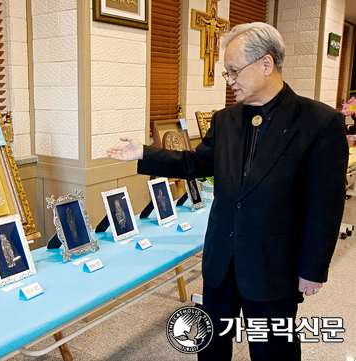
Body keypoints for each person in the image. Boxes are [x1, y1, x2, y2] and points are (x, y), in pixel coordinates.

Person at [107, 22, 348, 360]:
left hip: (272, 264)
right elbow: (196, 163)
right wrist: (145, 154)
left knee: (273, 350)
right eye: (226, 73)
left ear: (266, 65)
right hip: (222, 259)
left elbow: (325, 203)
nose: (229, 80)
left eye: (234, 71)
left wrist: (313, 268)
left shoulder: (319, 123)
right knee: (212, 345)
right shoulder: (226, 120)